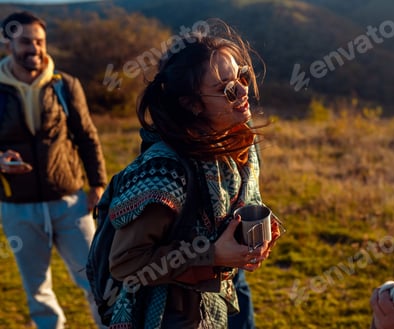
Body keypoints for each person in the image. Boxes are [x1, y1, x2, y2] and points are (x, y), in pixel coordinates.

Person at [106, 18, 281, 328]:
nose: (243, 90)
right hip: (168, 315)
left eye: (242, 76)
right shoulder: (165, 171)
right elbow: (126, 262)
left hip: (218, 295)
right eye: (226, 88)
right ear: (192, 104)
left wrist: (253, 234)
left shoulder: (237, 142)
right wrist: (213, 254)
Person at [0, 11, 107, 329]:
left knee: (96, 279)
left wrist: (98, 185)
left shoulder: (65, 85)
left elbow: (88, 137)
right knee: (37, 289)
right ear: (7, 44)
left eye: (39, 41)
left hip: (70, 202)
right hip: (17, 207)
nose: (34, 48)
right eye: (25, 42)